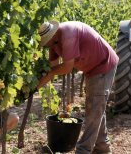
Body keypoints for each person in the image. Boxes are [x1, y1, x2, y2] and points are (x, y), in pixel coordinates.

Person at [35, 21, 119, 154]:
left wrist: (45, 72)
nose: (44, 45)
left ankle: (83, 150)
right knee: (96, 106)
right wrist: (35, 88)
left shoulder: (68, 35)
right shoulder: (53, 43)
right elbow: (52, 70)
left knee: (95, 108)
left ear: (53, 34)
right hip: (91, 68)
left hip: (103, 65)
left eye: (45, 41)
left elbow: (67, 68)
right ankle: (103, 148)